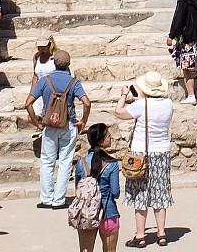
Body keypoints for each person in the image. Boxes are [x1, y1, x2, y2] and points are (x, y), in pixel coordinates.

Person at [117, 68, 176, 245]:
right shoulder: (168, 103)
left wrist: (124, 94)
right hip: (162, 152)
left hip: (140, 153)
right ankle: (161, 233)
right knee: (160, 192)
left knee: (140, 193)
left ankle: (140, 235)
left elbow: (119, 112)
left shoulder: (140, 105)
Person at [33, 47, 89, 209]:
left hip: (49, 125)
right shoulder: (73, 82)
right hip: (68, 124)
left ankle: (46, 198)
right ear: (68, 64)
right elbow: (87, 102)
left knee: (47, 162)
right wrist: (83, 121)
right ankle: (59, 200)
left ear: (54, 63)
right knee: (65, 162)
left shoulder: (45, 80)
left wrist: (37, 122)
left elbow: (28, 102)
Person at [72, 122, 124, 252]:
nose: (110, 138)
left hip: (86, 213)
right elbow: (115, 192)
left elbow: (77, 188)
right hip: (108, 211)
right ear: (101, 141)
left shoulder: (81, 163)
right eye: (108, 136)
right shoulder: (112, 164)